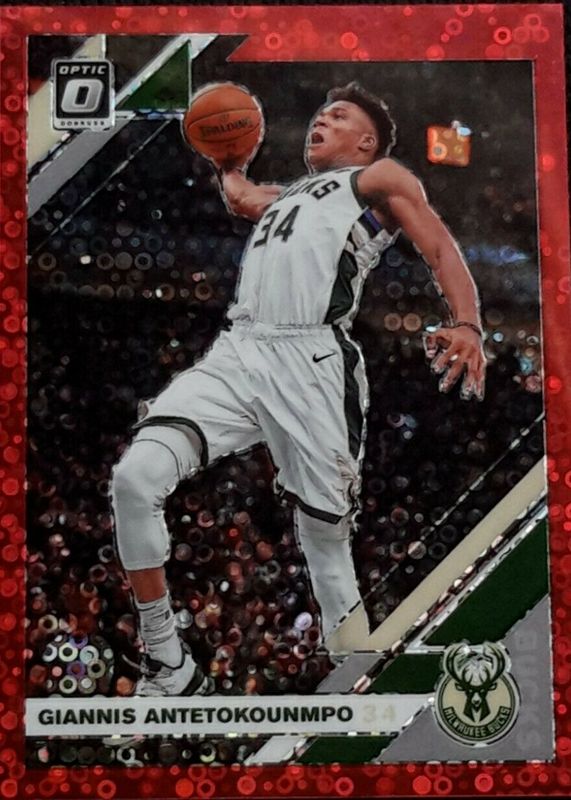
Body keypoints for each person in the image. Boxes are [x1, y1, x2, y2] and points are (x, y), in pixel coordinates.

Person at [111, 82, 486, 697]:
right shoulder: (288, 195)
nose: (321, 120)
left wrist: (466, 322)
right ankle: (168, 662)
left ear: (365, 141)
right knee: (134, 479)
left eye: (338, 116)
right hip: (240, 351)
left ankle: (357, 681)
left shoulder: (378, 178)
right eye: (320, 113)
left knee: (325, 540)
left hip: (312, 361)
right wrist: (228, 159)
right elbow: (241, 196)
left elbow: (440, 246)